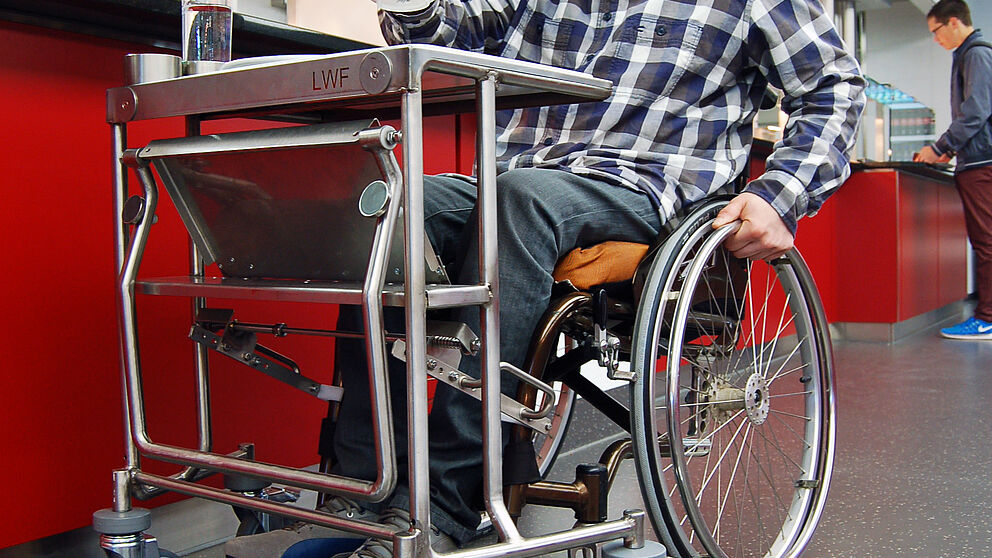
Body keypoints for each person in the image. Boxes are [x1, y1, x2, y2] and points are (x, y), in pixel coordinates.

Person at [226, 1, 865, 557]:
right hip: (512, 182)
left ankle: (454, 500)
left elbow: (835, 85)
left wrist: (780, 197)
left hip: (637, 189)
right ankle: (370, 489)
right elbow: (447, 29)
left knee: (519, 201)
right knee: (387, 201)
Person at [914, 0, 992, 341]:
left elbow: (976, 111)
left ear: (955, 23)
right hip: (977, 158)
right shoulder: (971, 55)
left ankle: (987, 317)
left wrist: (941, 147)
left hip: (981, 163)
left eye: (936, 31)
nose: (935, 39)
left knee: (986, 241)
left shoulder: (976, 54)